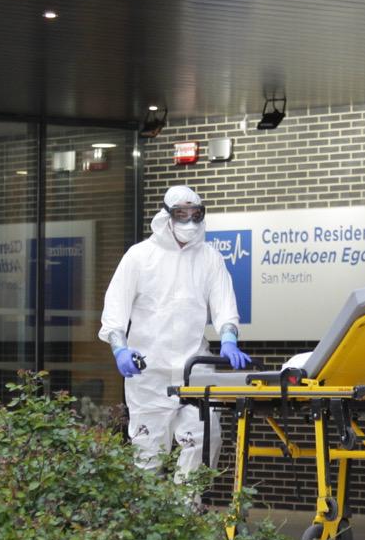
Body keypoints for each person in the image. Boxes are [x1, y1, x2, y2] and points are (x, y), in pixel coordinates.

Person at [100, 185, 252, 477]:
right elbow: (115, 312)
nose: (189, 222)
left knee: (203, 443)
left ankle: (187, 515)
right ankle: (149, 520)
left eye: (196, 215)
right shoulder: (139, 257)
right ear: (166, 216)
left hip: (194, 372)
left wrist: (229, 340)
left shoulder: (209, 258)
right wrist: (119, 349)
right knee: (148, 456)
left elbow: (224, 306)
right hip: (149, 375)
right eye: (181, 215)